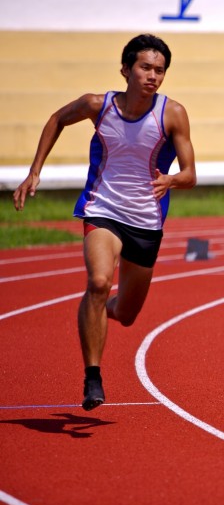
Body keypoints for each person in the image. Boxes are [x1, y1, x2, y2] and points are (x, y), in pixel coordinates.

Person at [12, 34, 197, 410]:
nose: (153, 77)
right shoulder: (98, 105)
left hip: (146, 220)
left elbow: (191, 173)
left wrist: (172, 179)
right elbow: (57, 119)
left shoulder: (172, 113)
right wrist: (34, 172)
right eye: (145, 68)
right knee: (98, 282)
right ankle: (92, 377)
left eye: (160, 71)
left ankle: (97, 312)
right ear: (126, 69)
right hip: (103, 209)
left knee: (126, 314)